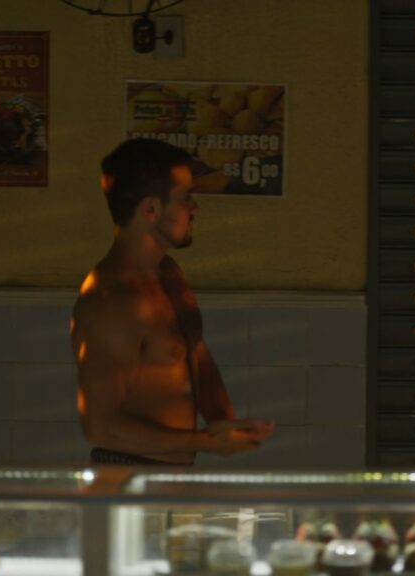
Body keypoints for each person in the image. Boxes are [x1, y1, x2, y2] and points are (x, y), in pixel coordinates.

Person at [70, 138, 275, 465]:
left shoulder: (168, 274)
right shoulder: (113, 301)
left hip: (169, 476)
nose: (195, 208)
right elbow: (100, 427)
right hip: (125, 480)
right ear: (150, 209)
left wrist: (224, 422)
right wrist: (205, 441)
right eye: (185, 197)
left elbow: (195, 353)